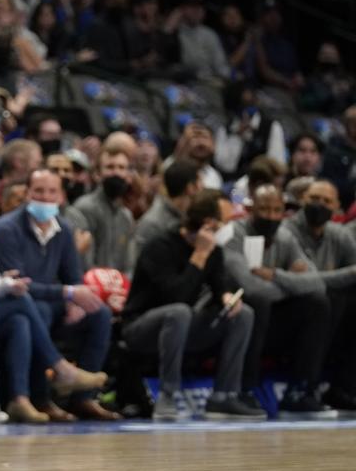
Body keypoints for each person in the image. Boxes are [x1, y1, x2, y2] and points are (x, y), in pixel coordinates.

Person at [0, 181, 106, 423]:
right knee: (24, 302)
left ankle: (20, 399)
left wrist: (2, 282)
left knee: (21, 320)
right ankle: (60, 368)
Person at [122, 190, 266, 422]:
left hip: (185, 326)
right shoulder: (159, 247)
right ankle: (168, 395)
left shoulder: (214, 252)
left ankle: (224, 395)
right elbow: (176, 296)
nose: (229, 227)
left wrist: (228, 296)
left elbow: (220, 285)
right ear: (209, 224)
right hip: (142, 327)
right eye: (225, 221)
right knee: (179, 312)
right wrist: (199, 255)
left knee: (243, 314)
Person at [0, 170, 118, 421]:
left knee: (99, 312)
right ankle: (42, 398)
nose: (45, 197)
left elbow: (73, 275)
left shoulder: (64, 229)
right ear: (27, 193)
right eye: (38, 191)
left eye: (52, 192)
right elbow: (18, 285)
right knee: (38, 311)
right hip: (16, 303)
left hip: (52, 301)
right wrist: (68, 293)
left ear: (61, 196)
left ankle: (84, 398)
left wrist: (77, 300)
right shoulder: (6, 229)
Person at [222, 185, 332, 416]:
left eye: (276, 210)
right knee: (258, 301)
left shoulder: (285, 236)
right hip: (232, 314)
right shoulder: (234, 233)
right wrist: (293, 282)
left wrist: (275, 275)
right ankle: (246, 389)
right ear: (250, 208)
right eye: (264, 209)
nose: (271, 216)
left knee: (317, 302)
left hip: (273, 318)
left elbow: (316, 282)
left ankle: (300, 391)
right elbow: (250, 287)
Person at [284, 180, 356, 411]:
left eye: (326, 201)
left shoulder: (340, 235)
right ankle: (301, 388)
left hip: (330, 313)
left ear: (336, 208)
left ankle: (343, 388)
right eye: (314, 199)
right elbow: (307, 283)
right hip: (289, 308)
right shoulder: (286, 232)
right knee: (320, 301)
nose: (319, 205)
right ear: (302, 200)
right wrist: (348, 274)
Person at [73, 146, 135, 274]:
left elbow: (129, 265)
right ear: (97, 174)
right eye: (110, 167)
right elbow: (85, 263)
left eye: (121, 168)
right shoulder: (84, 208)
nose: (116, 173)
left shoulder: (126, 216)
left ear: (128, 175)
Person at [132, 160, 202, 266]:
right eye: (200, 181)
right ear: (190, 188)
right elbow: (139, 262)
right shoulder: (153, 222)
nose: (203, 186)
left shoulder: (191, 216)